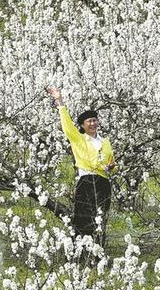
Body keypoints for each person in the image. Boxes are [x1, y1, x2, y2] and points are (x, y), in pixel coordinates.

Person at [47, 86, 116, 242]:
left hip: (103, 182)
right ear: (83, 125)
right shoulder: (79, 139)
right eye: (89, 121)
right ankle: (81, 249)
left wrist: (112, 167)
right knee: (84, 217)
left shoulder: (105, 142)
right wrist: (60, 101)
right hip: (86, 181)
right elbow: (67, 126)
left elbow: (111, 161)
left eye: (94, 120)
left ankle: (98, 249)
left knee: (101, 216)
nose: (92, 123)